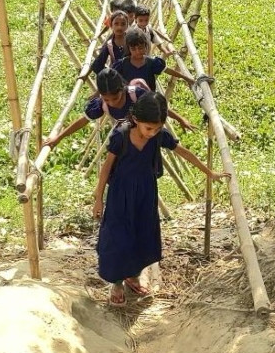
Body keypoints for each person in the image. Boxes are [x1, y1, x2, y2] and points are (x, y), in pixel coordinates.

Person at [93, 91, 229, 306]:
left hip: (146, 194)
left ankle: (133, 276)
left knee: (142, 234)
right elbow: (106, 168)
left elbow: (183, 152)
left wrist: (209, 172)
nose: (152, 132)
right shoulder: (121, 135)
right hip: (121, 195)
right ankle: (117, 282)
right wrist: (98, 198)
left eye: (157, 128)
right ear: (136, 119)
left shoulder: (158, 136)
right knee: (118, 237)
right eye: (149, 128)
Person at [43, 69, 194, 149]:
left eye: (115, 98)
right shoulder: (101, 104)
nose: (111, 103)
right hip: (127, 139)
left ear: (123, 89)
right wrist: (59, 138)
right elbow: (82, 121)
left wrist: (180, 119)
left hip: (147, 134)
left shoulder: (137, 95)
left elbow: (159, 108)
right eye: (106, 99)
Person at [113, 28, 193, 92]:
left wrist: (185, 77)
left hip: (148, 102)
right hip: (129, 102)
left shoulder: (152, 63)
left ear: (146, 46)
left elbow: (167, 70)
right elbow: (111, 78)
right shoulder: (122, 64)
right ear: (128, 48)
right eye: (133, 49)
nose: (137, 52)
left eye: (140, 48)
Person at [89, 11, 129, 76]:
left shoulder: (132, 40)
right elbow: (98, 64)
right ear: (111, 25)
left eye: (123, 24)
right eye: (116, 24)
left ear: (127, 25)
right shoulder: (109, 45)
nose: (119, 27)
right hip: (117, 77)